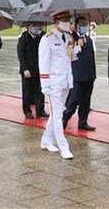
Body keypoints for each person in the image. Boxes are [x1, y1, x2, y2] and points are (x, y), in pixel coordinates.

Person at [39, 11, 77, 160]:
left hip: (65, 80)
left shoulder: (68, 37)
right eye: (64, 20)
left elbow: (70, 58)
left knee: (57, 112)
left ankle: (46, 140)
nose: (67, 23)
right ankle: (63, 147)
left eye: (69, 20)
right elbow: (43, 62)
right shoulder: (47, 39)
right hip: (53, 82)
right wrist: (45, 84)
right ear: (56, 21)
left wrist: (76, 47)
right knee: (58, 116)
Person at [63, 16, 97, 131]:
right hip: (77, 75)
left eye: (86, 24)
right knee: (74, 99)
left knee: (86, 101)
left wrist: (93, 74)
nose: (84, 26)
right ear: (76, 25)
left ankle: (83, 122)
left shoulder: (89, 39)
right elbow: (68, 55)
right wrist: (78, 45)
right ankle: (64, 118)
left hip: (89, 75)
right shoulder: (71, 38)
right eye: (82, 24)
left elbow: (91, 58)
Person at [17, 22, 48, 119]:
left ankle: (40, 110)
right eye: (33, 26)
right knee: (27, 91)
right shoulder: (23, 38)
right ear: (28, 27)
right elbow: (21, 55)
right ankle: (27, 111)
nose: (36, 27)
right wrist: (25, 68)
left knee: (40, 91)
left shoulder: (40, 38)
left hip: (39, 68)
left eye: (37, 25)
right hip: (27, 70)